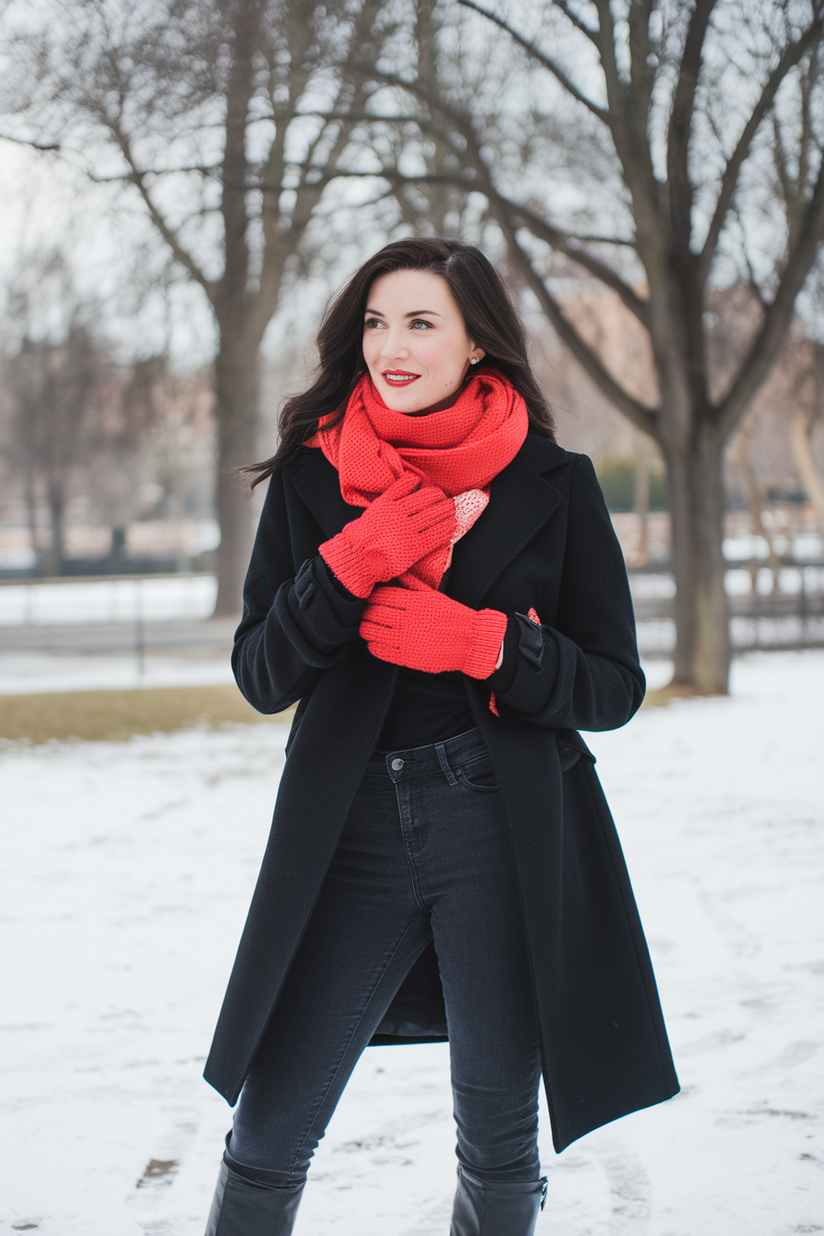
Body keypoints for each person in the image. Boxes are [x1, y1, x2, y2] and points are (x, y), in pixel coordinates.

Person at [202, 237, 678, 1236]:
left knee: (498, 1143)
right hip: (350, 829)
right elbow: (260, 674)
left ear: (475, 345)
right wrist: (350, 562)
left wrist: (481, 645)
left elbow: (614, 684)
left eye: (420, 322)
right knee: (267, 1131)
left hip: (497, 829)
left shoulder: (552, 484)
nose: (391, 346)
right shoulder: (312, 477)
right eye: (376, 322)